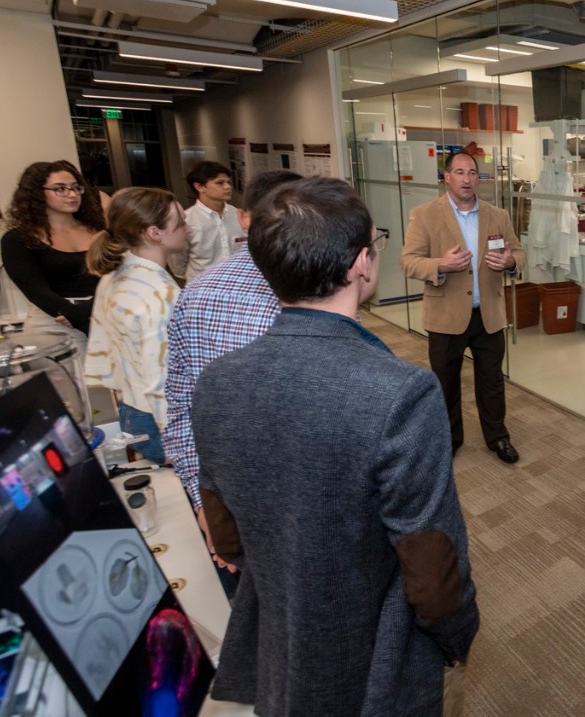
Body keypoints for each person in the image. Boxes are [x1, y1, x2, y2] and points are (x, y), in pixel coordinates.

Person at [193, 177, 479, 714]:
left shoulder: (217, 380)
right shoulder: (402, 392)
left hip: (282, 639)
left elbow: (227, 537)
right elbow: (434, 567)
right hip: (377, 652)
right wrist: (457, 637)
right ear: (360, 264)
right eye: (377, 243)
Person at [164, 170, 300, 565]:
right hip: (252, 491)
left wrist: (202, 501)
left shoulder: (195, 295)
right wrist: (204, 502)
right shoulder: (200, 295)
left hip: (264, 497)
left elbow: (180, 409)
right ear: (245, 218)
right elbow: (182, 407)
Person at [400, 151, 527, 464]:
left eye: (473, 173)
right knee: (445, 383)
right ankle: (449, 439)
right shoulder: (425, 214)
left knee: (492, 381)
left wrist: (510, 262)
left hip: (488, 314)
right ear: (447, 177)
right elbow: (408, 261)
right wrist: (440, 265)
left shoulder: (498, 215)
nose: (467, 179)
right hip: (445, 315)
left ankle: (497, 437)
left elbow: (520, 253)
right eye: (459, 172)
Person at [83, 188, 188, 465]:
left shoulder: (115, 274)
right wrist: (177, 441)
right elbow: (161, 375)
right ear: (154, 233)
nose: (188, 228)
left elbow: (103, 344)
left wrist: (120, 391)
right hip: (158, 421)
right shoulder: (158, 293)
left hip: (132, 412)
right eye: (181, 223)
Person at [0, 160, 106, 351]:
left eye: (75, 188)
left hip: (102, 312)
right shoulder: (17, 239)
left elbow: (114, 275)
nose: (72, 194)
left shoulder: (98, 230)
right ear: (38, 193)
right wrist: (78, 318)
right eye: (60, 189)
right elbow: (37, 292)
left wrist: (89, 309)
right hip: (53, 323)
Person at [170, 161, 244, 283]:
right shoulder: (186, 220)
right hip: (202, 290)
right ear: (199, 187)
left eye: (228, 182)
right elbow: (177, 264)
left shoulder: (238, 215)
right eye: (220, 183)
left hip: (237, 287)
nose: (228, 187)